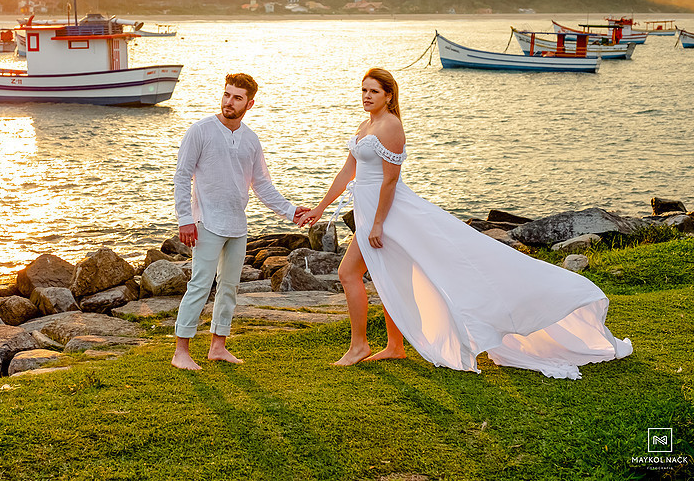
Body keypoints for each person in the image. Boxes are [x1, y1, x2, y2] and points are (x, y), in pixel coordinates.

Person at [298, 67, 632, 378]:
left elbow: (390, 180)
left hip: (389, 213)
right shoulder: (364, 126)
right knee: (388, 277)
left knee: (350, 273)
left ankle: (360, 346)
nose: (367, 96)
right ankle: (394, 346)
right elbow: (348, 171)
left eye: (374, 91)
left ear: (389, 95)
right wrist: (319, 208)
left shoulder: (391, 126)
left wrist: (377, 224)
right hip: (370, 210)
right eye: (364, 90)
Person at [172, 73, 308, 371]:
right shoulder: (200, 130)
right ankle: (181, 351)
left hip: (237, 224)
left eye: (237, 97)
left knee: (229, 287)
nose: (229, 102)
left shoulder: (251, 140)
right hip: (206, 221)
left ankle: (218, 347)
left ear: (250, 103)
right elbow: (182, 176)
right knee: (199, 285)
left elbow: (262, 185)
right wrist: (185, 219)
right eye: (226, 95)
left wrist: (291, 211)